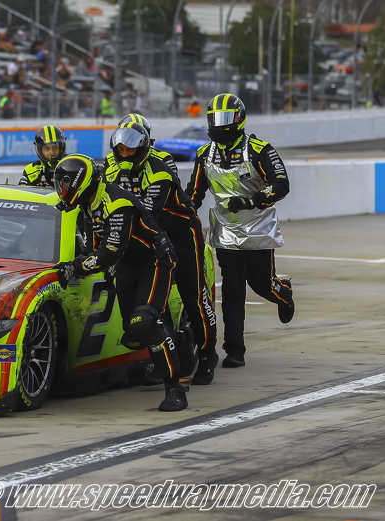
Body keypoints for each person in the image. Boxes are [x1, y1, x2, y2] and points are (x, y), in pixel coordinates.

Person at [53, 153, 188, 412]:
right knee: (134, 334)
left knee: (145, 322)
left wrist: (76, 267)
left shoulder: (116, 203)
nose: (63, 190)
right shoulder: (88, 202)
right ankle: (179, 342)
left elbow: (109, 253)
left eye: (66, 184)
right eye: (60, 184)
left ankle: (175, 389)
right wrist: (80, 261)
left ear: (81, 182)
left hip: (154, 260)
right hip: (127, 265)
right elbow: (96, 246)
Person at [187, 93, 295, 370]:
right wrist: (179, 215)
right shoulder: (203, 154)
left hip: (258, 229)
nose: (219, 125)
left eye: (225, 119)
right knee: (233, 291)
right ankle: (234, 351)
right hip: (225, 233)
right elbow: (193, 195)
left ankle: (284, 293)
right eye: (214, 119)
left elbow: (281, 184)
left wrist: (252, 200)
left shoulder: (260, 149)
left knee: (262, 285)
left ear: (239, 119)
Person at [106, 118, 218, 384]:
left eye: (131, 149)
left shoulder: (160, 167)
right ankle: (174, 348)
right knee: (153, 305)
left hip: (181, 235)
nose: (126, 154)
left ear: (144, 144)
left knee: (194, 298)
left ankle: (207, 355)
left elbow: (147, 214)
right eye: (121, 149)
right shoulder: (109, 169)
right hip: (147, 238)